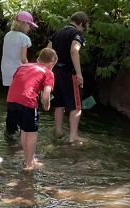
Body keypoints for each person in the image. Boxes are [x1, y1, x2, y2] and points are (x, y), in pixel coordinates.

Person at [6, 48, 57, 169]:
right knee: (32, 133)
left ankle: (28, 159)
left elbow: (18, 82)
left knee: (25, 130)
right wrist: (46, 105)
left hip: (11, 100)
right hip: (27, 101)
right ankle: (29, 164)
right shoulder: (48, 72)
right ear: (51, 62)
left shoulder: (23, 66)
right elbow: (46, 95)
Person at [47, 11, 89, 143]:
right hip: (68, 72)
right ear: (81, 24)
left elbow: (48, 51)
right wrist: (79, 73)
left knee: (59, 104)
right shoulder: (77, 33)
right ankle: (73, 136)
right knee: (76, 106)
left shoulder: (57, 33)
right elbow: (74, 50)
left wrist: (48, 71)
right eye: (84, 27)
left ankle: (59, 132)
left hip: (55, 72)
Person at [2, 11, 38, 139]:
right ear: (23, 24)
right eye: (29, 25)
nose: (30, 28)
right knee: (21, 101)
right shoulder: (24, 38)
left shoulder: (7, 35)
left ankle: (10, 130)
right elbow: (23, 59)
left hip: (6, 71)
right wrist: (31, 69)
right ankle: (20, 129)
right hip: (18, 73)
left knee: (11, 101)